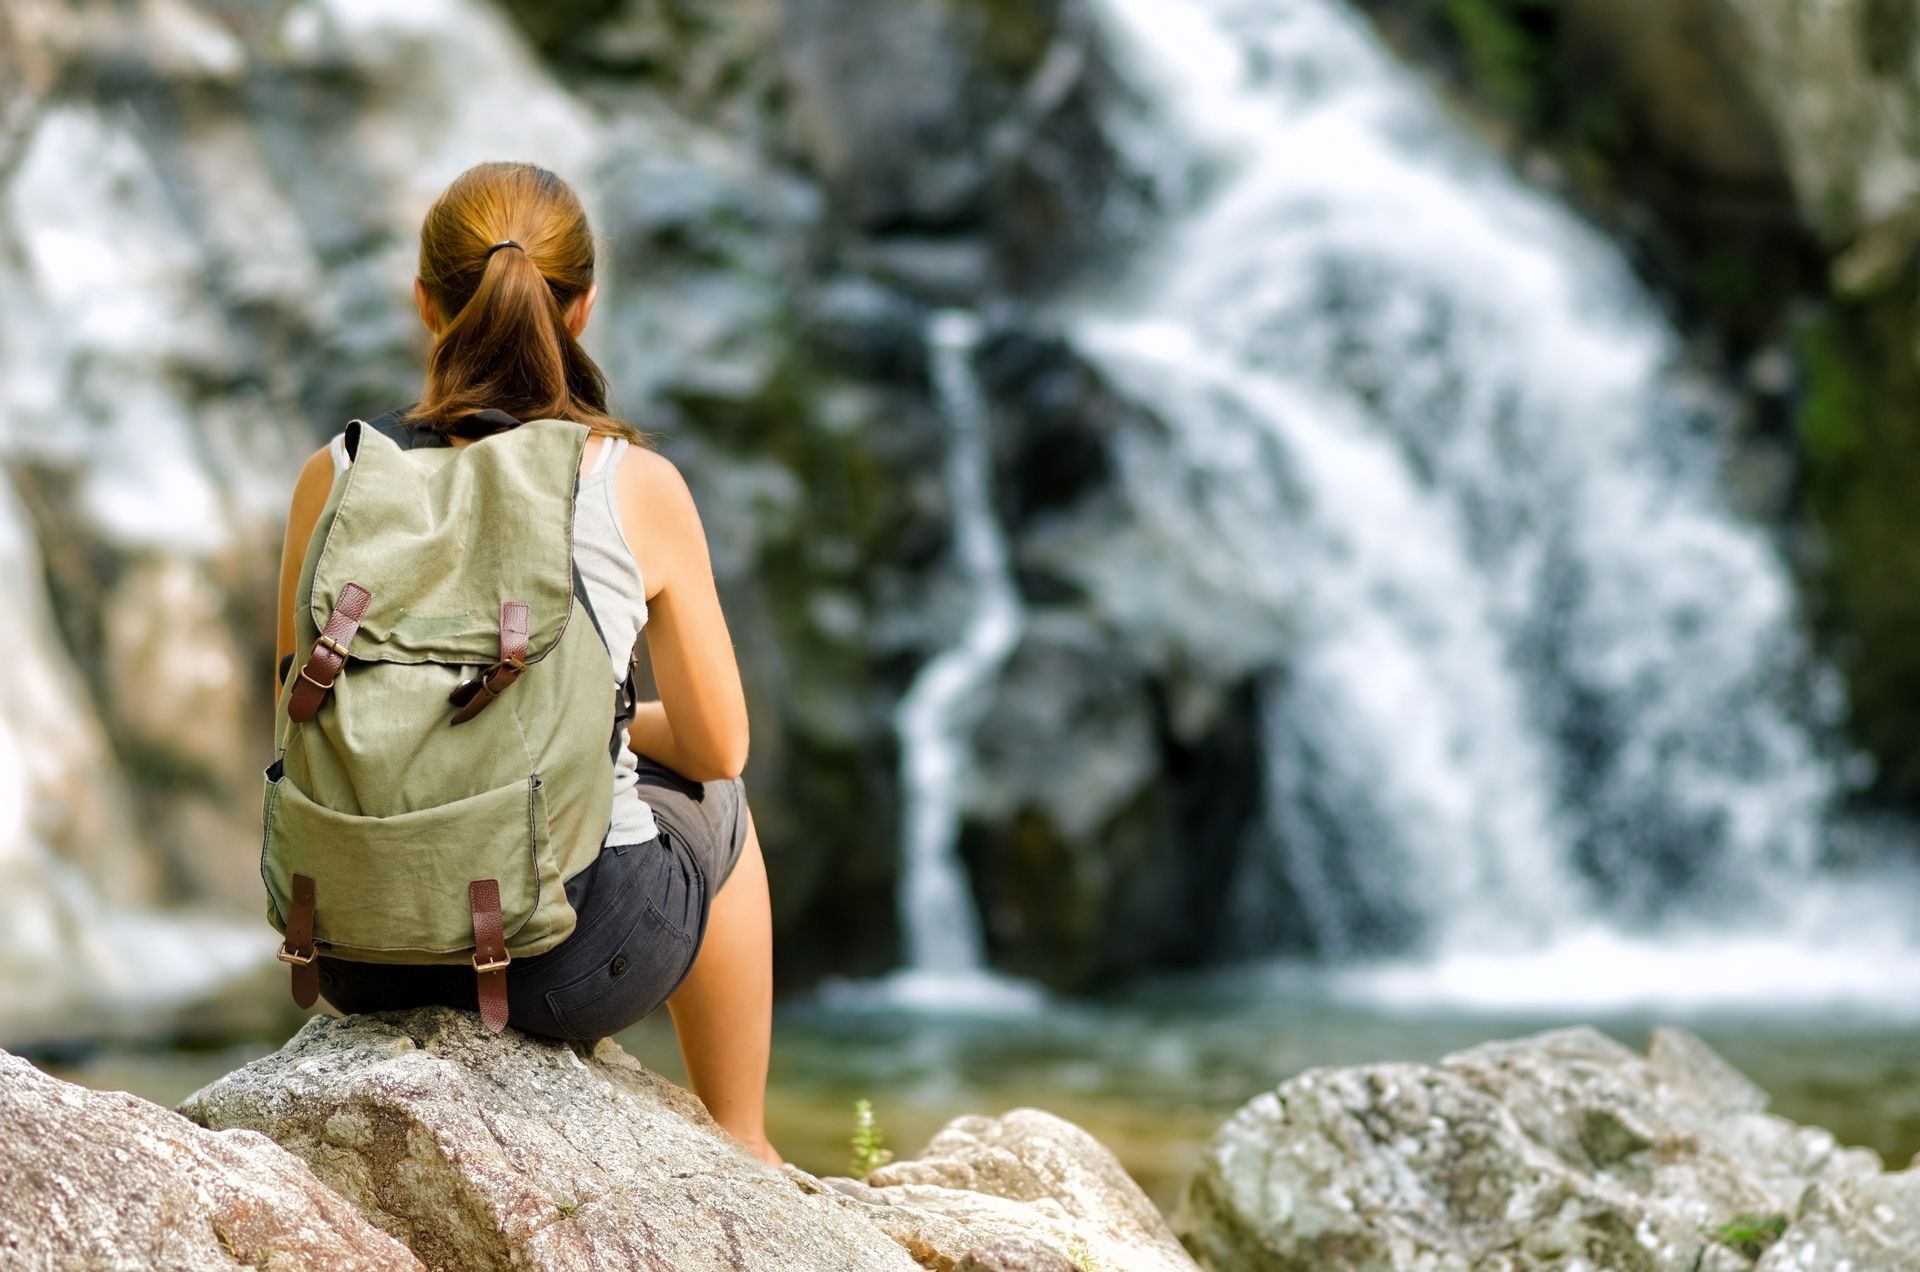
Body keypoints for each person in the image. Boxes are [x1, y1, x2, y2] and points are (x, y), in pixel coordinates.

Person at [272, 160, 779, 1165]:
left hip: (351, 952)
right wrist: (609, 726)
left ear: (425, 304)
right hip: (562, 960)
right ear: (583, 309)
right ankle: (743, 1139)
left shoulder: (336, 472)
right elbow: (721, 743)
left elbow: (300, 713)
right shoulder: (634, 481)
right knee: (721, 806)